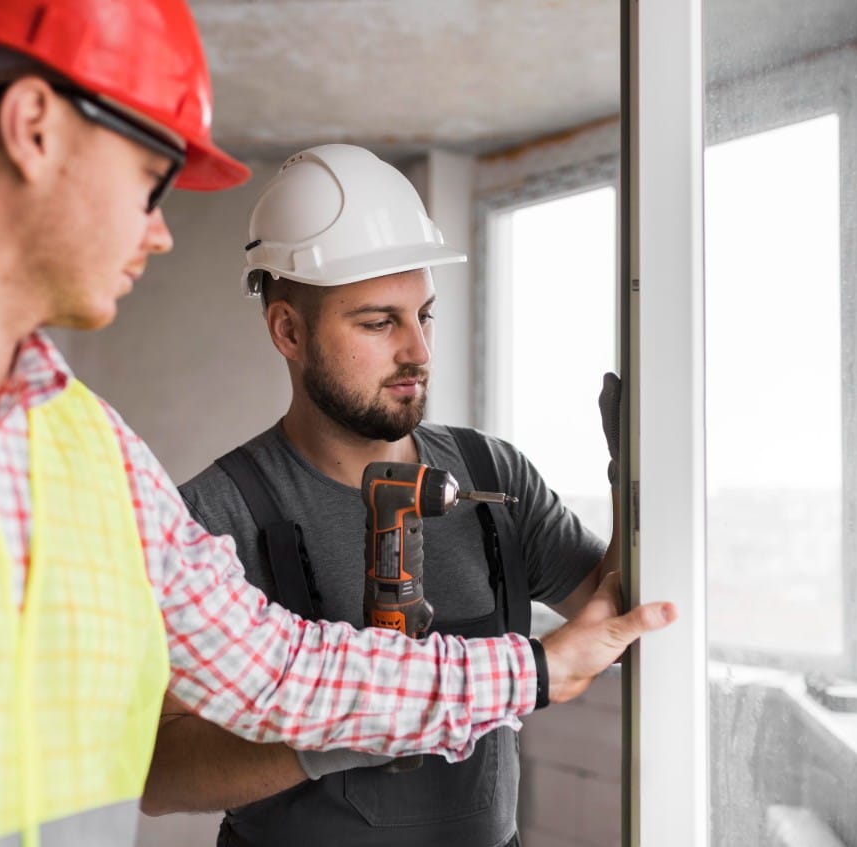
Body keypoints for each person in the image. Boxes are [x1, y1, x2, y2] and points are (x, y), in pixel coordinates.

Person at [0, 4, 674, 845]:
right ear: (34, 129)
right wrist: (519, 677)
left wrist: (537, 665)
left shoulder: (93, 453)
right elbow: (169, 759)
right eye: (150, 177)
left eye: (419, 315)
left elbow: (279, 671)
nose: (162, 230)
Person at [143, 143, 629, 847]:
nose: (419, 352)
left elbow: (608, 621)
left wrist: (633, 480)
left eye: (423, 315)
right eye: (379, 322)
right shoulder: (215, 516)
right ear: (288, 329)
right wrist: (340, 732)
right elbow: (158, 771)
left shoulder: (492, 476)